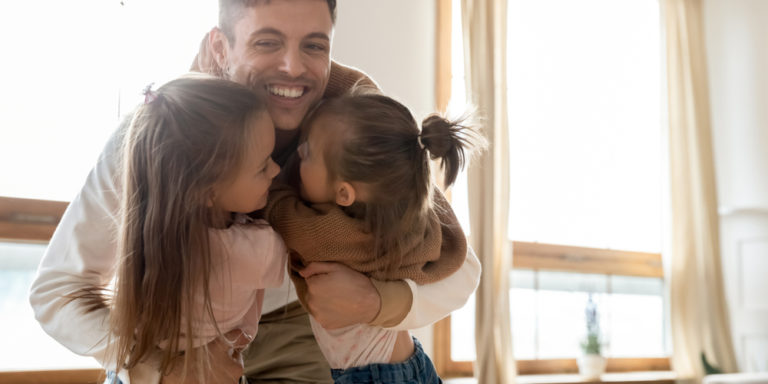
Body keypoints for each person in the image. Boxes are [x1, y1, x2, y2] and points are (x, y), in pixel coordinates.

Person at [29, 0, 481, 382]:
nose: (293, 67)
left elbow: (458, 270)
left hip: (301, 329)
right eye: (267, 42)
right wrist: (156, 362)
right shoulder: (162, 135)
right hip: (171, 333)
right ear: (220, 48)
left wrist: (375, 301)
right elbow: (57, 290)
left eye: (314, 46)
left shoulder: (353, 129)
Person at [264, 90, 484, 384]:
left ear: (344, 193)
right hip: (411, 363)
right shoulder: (400, 228)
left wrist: (268, 174)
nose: (299, 152)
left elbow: (278, 210)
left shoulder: (326, 237)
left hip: (373, 377)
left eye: (309, 152)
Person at [84, 75, 283, 383]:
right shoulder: (256, 250)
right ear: (207, 191)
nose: (277, 169)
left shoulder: (149, 236)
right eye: (263, 166)